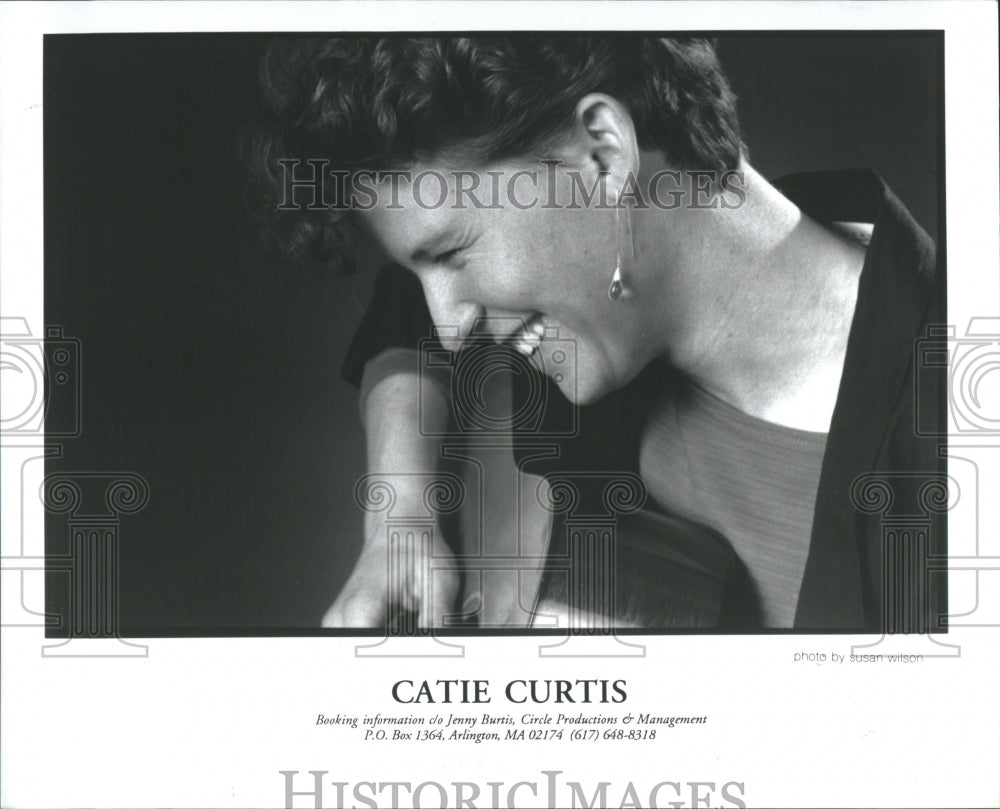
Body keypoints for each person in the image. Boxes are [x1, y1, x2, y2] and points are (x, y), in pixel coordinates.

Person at [246, 36, 945, 631]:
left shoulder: (954, 425)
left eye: (454, 254)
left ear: (603, 156)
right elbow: (399, 314)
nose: (451, 332)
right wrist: (399, 516)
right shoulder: (578, 321)